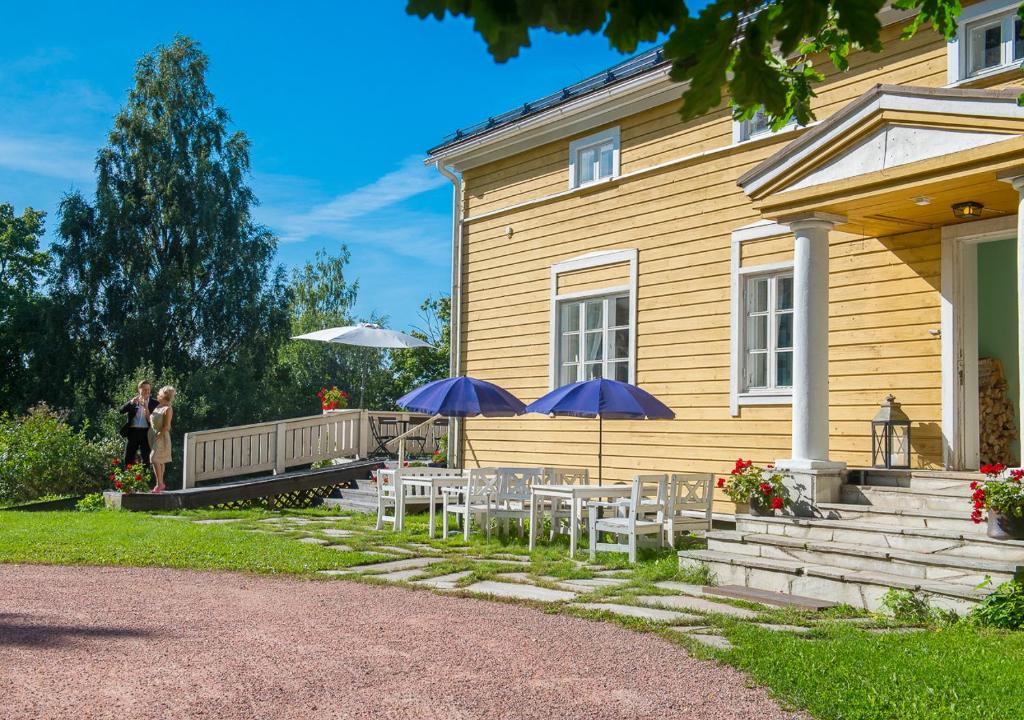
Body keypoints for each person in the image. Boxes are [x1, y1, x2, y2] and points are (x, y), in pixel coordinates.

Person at [120, 380, 158, 469]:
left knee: (146, 458)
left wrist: (146, 407)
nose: (147, 392)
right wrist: (130, 403)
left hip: (146, 433)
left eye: (148, 389)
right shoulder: (134, 401)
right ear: (139, 390)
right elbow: (121, 410)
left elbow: (156, 420)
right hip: (133, 432)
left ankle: (146, 481)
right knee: (128, 457)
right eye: (144, 389)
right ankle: (130, 479)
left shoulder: (154, 403)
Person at [148, 386, 175, 493]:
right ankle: (159, 484)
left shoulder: (168, 409)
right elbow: (151, 420)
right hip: (153, 435)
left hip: (162, 437)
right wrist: (145, 407)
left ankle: (160, 484)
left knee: (154, 458)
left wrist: (159, 435)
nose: (157, 395)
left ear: (164, 396)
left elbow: (167, 426)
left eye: (159, 394)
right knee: (160, 460)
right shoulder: (158, 406)